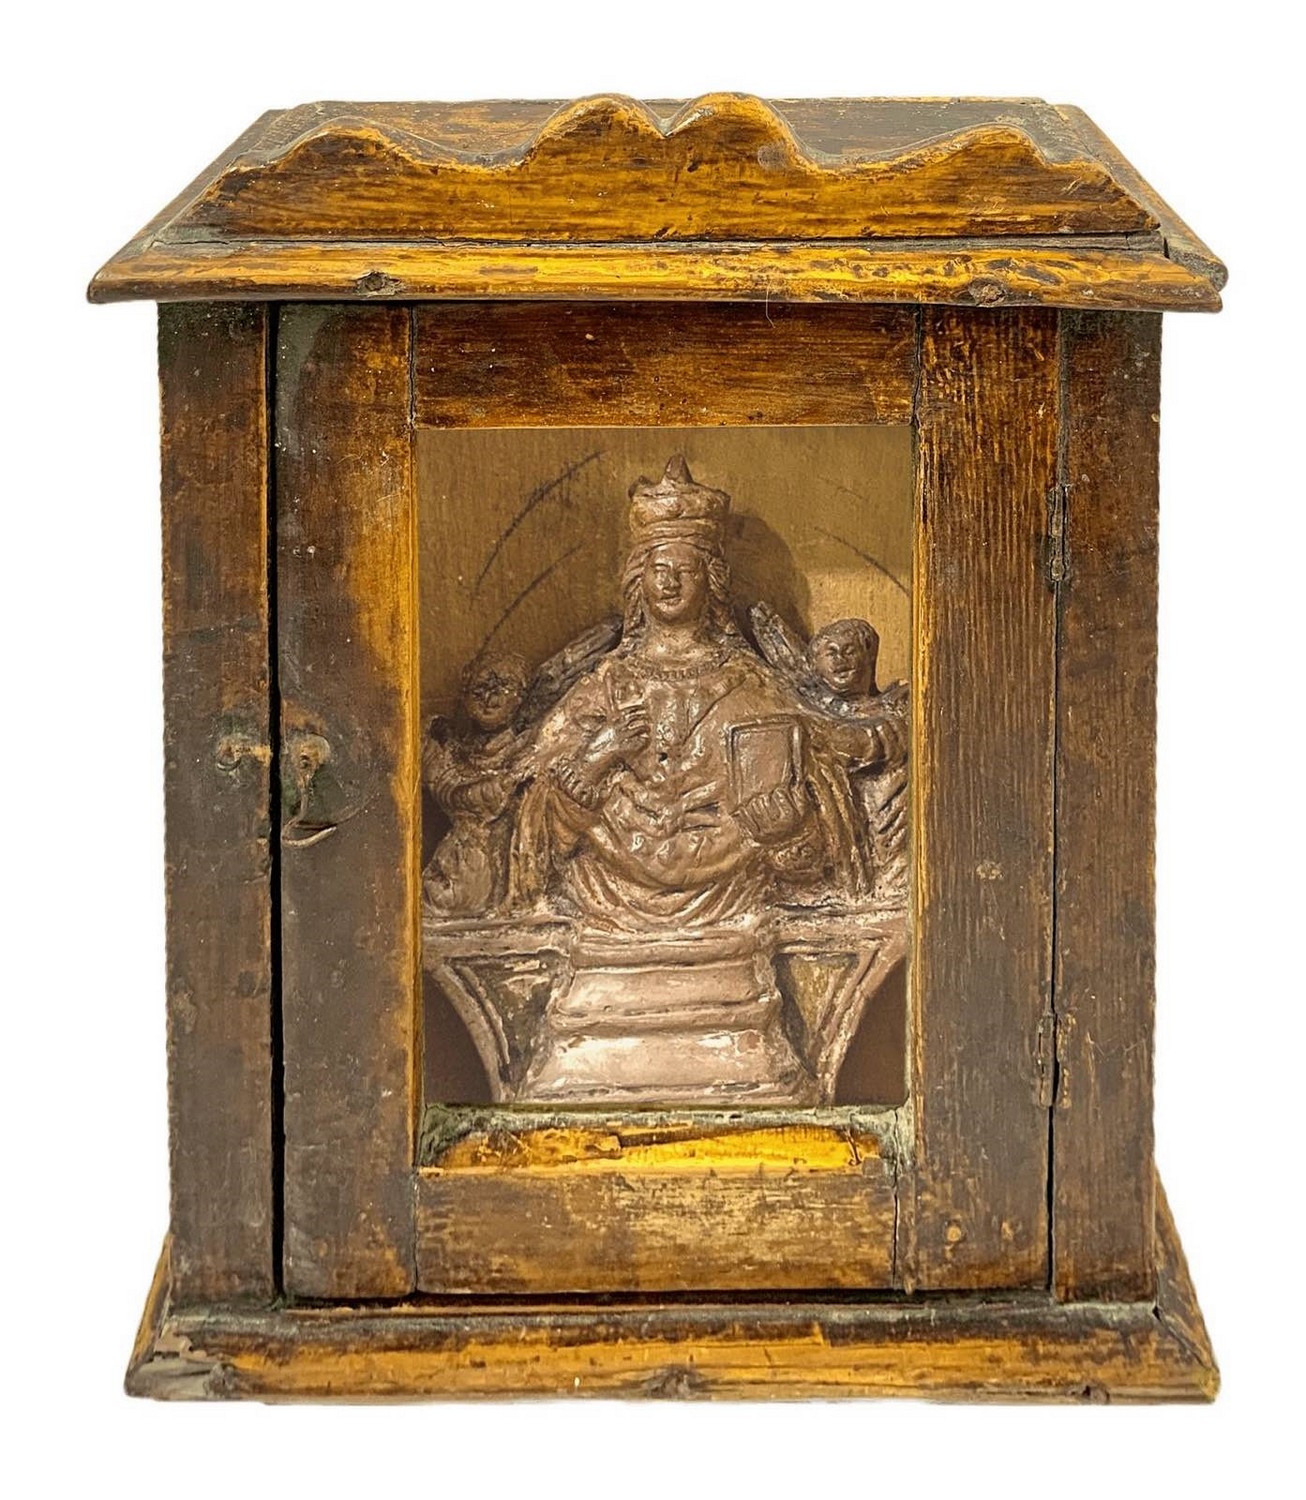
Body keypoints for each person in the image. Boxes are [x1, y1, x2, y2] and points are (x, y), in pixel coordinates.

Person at [509, 456, 870, 930]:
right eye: (658, 568)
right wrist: (597, 757)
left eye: (686, 569)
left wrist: (788, 834)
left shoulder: (749, 682)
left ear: (711, 581)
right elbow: (537, 817)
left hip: (735, 906)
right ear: (638, 580)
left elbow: (821, 831)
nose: (670, 582)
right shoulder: (607, 684)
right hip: (605, 904)